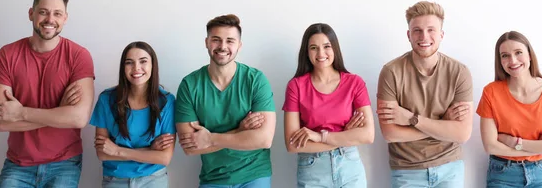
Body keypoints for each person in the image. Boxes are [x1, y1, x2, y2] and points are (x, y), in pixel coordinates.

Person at [0, 0, 95, 187]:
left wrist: (20, 113)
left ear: (65, 18)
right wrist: (59, 113)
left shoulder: (78, 56)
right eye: (43, 12)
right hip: (18, 164)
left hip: (65, 163)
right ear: (31, 13)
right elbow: (0, 123)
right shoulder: (7, 56)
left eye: (57, 14)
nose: (49, 20)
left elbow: (79, 118)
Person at [376, 1, 473, 188]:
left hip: (449, 167)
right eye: (417, 30)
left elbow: (462, 134)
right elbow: (390, 133)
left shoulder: (459, 72)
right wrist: (443, 124)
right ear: (408, 35)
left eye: (431, 30)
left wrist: (412, 118)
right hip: (406, 170)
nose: (424, 36)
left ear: (441, 35)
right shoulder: (391, 72)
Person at [175, 14, 276, 188]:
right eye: (216, 40)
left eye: (230, 41)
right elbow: (191, 147)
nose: (223, 46)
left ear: (239, 45)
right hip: (213, 178)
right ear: (206, 42)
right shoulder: (190, 85)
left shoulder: (255, 80)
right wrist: (240, 130)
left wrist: (210, 138)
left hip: (254, 173)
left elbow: (264, 139)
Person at [283, 23, 374, 188]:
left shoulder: (355, 83)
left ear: (335, 49)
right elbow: (292, 144)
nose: (321, 53)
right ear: (306, 52)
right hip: (312, 170)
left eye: (326, 46)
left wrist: (320, 136)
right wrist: (346, 135)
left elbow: (368, 135)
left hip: (350, 168)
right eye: (313, 48)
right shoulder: (295, 86)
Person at [476, 31, 542, 187]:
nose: (512, 60)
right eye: (505, 55)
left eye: (518, 52)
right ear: (500, 61)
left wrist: (514, 142)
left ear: (529, 55)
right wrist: (539, 147)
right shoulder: (491, 92)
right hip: (503, 174)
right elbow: (490, 145)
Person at [90, 41, 176, 187]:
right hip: (114, 180)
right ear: (123, 68)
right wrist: (150, 151)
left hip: (153, 180)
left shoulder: (167, 102)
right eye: (129, 62)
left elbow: (164, 157)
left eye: (143, 61)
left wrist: (117, 151)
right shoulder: (106, 99)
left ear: (152, 65)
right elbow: (102, 153)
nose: (136, 68)